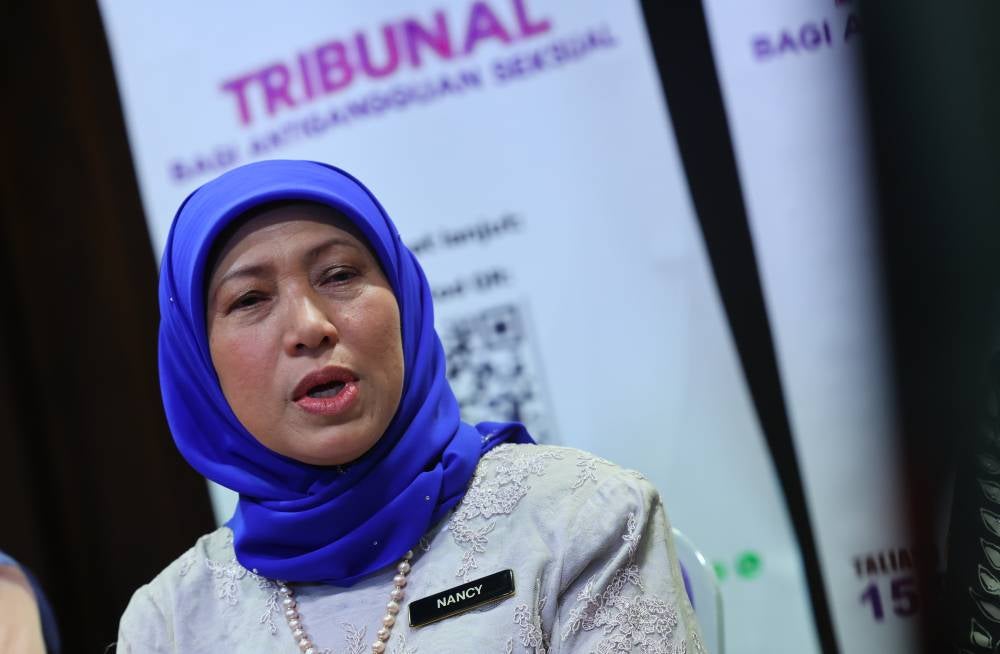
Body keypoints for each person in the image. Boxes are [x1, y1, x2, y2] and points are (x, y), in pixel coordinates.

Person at [117, 160, 705, 653]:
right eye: (250, 299)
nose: (309, 326)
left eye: (340, 274)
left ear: (407, 300)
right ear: (198, 363)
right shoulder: (168, 623)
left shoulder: (582, 520)